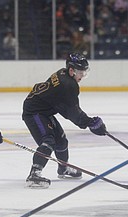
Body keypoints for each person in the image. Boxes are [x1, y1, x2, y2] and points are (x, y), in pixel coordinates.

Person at [22, 52, 107, 189]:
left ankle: (63, 168)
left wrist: (87, 121)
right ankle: (34, 174)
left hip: (44, 111)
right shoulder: (68, 85)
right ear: (72, 70)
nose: (82, 76)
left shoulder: (63, 73)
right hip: (34, 113)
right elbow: (72, 112)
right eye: (80, 73)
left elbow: (65, 108)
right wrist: (90, 122)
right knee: (48, 140)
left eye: (84, 73)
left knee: (61, 140)